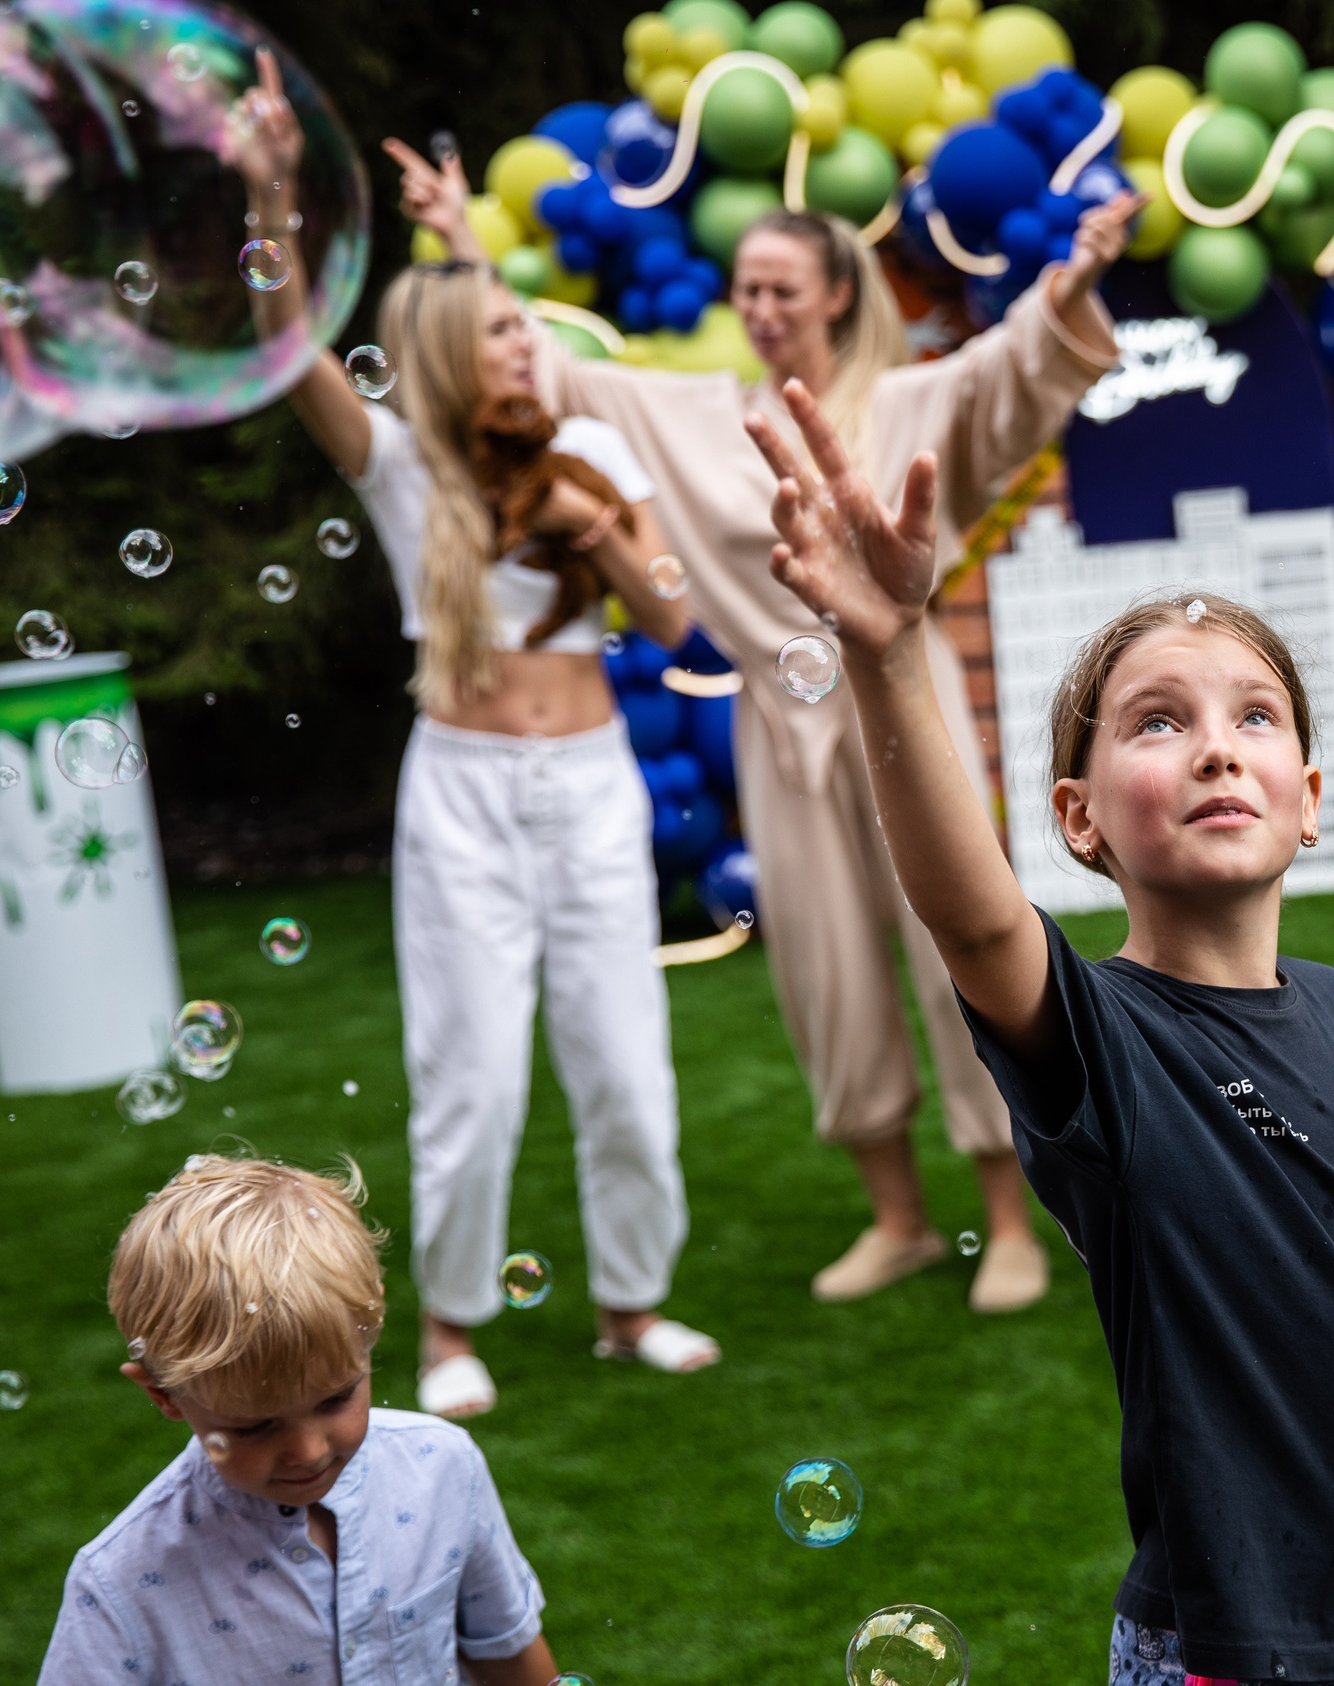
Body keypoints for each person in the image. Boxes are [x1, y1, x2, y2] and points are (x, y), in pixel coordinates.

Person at [749, 382, 1334, 1686]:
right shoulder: (1100, 1035)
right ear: (1081, 815)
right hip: (1222, 1647)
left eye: (1255, 715)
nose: (1217, 747)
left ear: (1310, 799)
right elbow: (975, 921)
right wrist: (890, 653)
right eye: (1159, 719)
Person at [397, 148, 1137, 1315]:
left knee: (967, 950)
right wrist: (459, 240)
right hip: (776, 713)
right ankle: (895, 1218)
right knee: (824, 968)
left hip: (904, 695)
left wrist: (1076, 276)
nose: (761, 304)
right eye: (746, 286)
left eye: (784, 286)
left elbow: (1018, 367)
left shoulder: (907, 399)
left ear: (838, 292)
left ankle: (1010, 1222)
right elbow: (538, 366)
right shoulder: (690, 417)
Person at [238, 60, 717, 1418]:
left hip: (590, 789)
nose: (524, 346)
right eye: (501, 332)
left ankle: (632, 1304)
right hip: (460, 795)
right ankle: (450, 1329)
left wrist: (604, 534)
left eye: (523, 329)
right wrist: (274, 193)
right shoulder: (403, 468)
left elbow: (675, 621)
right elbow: (288, 342)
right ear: (454, 352)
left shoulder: (587, 455)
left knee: (627, 1063)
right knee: (475, 1077)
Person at [36, 1154, 564, 1685]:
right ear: (163, 1395)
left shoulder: (442, 1469)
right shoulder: (119, 1584)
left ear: (371, 1324)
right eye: (254, 1426)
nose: (308, 1452)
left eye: (335, 1399)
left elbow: (508, 1654)